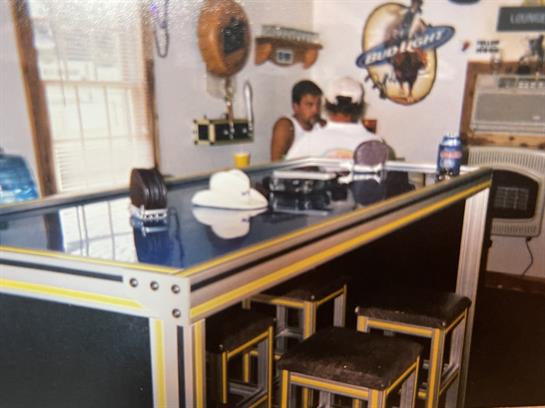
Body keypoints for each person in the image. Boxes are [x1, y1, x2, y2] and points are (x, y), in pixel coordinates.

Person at [286, 76, 382, 159]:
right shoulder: (375, 143)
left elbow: (283, 171)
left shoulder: (310, 140)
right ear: (360, 106)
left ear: (327, 104)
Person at [270, 80, 324, 161]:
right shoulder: (285, 126)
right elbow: (275, 163)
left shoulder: (321, 125)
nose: (315, 110)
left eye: (318, 104)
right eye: (309, 105)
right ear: (295, 107)